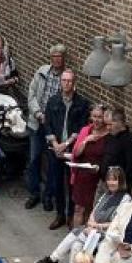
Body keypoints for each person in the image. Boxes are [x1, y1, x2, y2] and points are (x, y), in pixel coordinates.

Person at [34, 166, 131, 263]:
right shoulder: (106, 195)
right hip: (95, 230)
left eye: (114, 180)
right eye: (109, 179)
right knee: (76, 245)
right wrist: (91, 222)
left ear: (121, 181)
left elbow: (118, 223)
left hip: (109, 234)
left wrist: (96, 226)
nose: (110, 182)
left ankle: (54, 258)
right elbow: (94, 211)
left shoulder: (125, 199)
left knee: (77, 233)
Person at [44, 69, 91, 230]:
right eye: (64, 80)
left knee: (72, 185)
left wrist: (66, 143)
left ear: (74, 83)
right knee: (57, 183)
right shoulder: (52, 101)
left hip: (72, 150)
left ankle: (71, 215)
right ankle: (60, 215)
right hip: (55, 149)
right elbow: (48, 124)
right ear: (60, 82)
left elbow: (82, 127)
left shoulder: (82, 104)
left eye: (70, 81)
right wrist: (55, 143)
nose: (67, 83)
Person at [25, 44, 67, 210]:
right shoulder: (42, 72)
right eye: (54, 56)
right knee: (34, 158)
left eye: (60, 56)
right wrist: (38, 113)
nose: (57, 59)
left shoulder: (66, 77)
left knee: (51, 162)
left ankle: (48, 195)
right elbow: (32, 94)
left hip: (53, 127)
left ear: (64, 58)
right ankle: (34, 193)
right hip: (37, 122)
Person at [68, 104, 109, 226]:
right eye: (94, 116)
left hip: (96, 177)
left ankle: (86, 238)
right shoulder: (86, 130)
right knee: (78, 208)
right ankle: (75, 236)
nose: (96, 120)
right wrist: (86, 141)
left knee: (91, 211)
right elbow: (76, 153)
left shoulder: (108, 135)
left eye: (100, 117)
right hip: (83, 176)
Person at [101, 107, 132, 193]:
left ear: (119, 123)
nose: (108, 128)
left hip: (118, 188)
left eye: (110, 124)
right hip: (104, 183)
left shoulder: (129, 141)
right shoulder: (110, 137)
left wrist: (120, 185)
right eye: (106, 125)